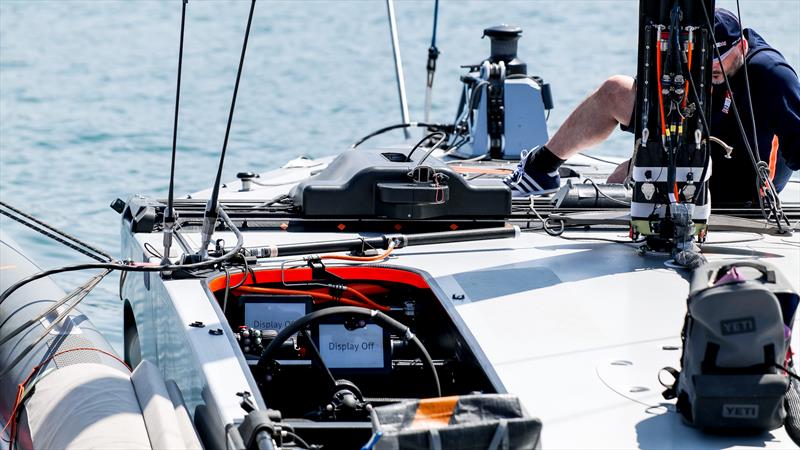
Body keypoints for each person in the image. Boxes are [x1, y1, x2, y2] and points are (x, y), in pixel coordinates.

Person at [504, 8, 800, 205]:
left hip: (743, 186)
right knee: (615, 95)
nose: (713, 68)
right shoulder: (697, 56)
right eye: (705, 60)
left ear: (742, 46)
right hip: (698, 145)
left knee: (627, 189)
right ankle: (540, 169)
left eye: (721, 60)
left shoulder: (771, 73)